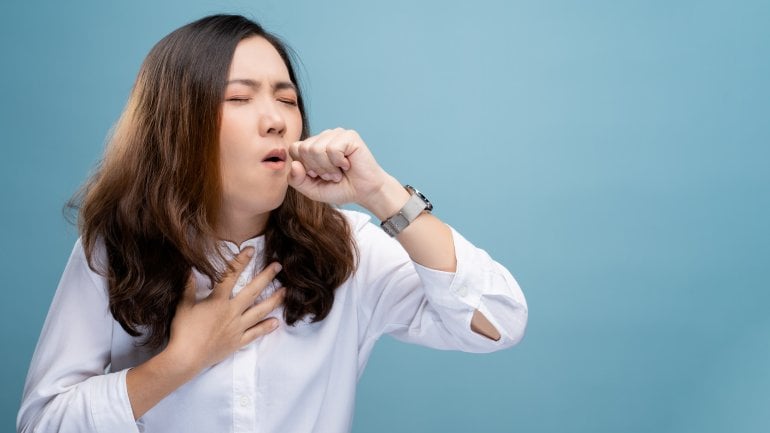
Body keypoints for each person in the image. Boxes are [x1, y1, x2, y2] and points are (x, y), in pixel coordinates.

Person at [17, 14, 528, 433]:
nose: (277, 120)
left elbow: (498, 322)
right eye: (239, 98)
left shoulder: (348, 246)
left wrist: (382, 194)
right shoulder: (116, 247)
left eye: (286, 100)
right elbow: (43, 423)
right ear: (177, 125)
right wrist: (180, 361)